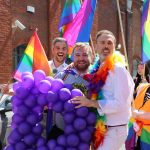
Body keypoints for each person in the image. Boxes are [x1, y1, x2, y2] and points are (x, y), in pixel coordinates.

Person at [70, 30, 134, 150]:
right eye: (103, 42)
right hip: (101, 129)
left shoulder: (118, 70)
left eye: (109, 43)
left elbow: (120, 104)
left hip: (115, 130)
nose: (106, 46)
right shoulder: (98, 68)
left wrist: (91, 103)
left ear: (114, 46)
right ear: (97, 45)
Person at [48, 42, 94, 139]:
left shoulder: (97, 78)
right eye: (77, 55)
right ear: (72, 57)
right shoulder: (62, 75)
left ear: (91, 56)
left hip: (84, 134)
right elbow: (47, 95)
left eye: (85, 55)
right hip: (60, 132)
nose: (81, 58)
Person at [125, 83, 150, 150]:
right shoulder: (142, 87)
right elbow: (132, 100)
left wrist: (138, 114)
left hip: (147, 134)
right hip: (133, 128)